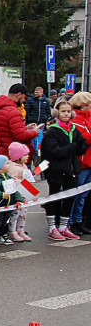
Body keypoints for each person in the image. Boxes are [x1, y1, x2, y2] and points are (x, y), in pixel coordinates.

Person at [41, 99, 88, 240]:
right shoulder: (52, 131)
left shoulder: (73, 129)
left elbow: (81, 147)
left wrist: (79, 146)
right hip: (55, 170)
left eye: (68, 111)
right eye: (63, 111)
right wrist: (74, 146)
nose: (66, 114)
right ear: (57, 113)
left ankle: (63, 227)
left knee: (69, 198)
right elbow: (56, 151)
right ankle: (52, 227)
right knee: (54, 198)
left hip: (71, 170)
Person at [0, 83, 39, 158]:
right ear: (19, 95)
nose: (24, 100)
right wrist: (34, 132)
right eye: (24, 97)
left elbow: (8, 131)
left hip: (4, 150)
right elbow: (21, 136)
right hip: (15, 154)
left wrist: (26, 128)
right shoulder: (13, 111)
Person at [67, 92, 91, 234]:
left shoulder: (87, 118)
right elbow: (84, 138)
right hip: (82, 163)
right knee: (76, 194)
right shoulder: (76, 119)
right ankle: (70, 222)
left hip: (89, 161)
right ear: (84, 105)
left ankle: (78, 220)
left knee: (83, 196)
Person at [5, 142, 33, 242]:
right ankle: (12, 231)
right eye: (25, 155)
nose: (27, 156)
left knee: (23, 214)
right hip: (16, 196)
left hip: (24, 195)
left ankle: (21, 230)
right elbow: (11, 181)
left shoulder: (24, 166)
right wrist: (19, 182)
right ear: (18, 157)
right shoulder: (12, 168)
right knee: (15, 214)